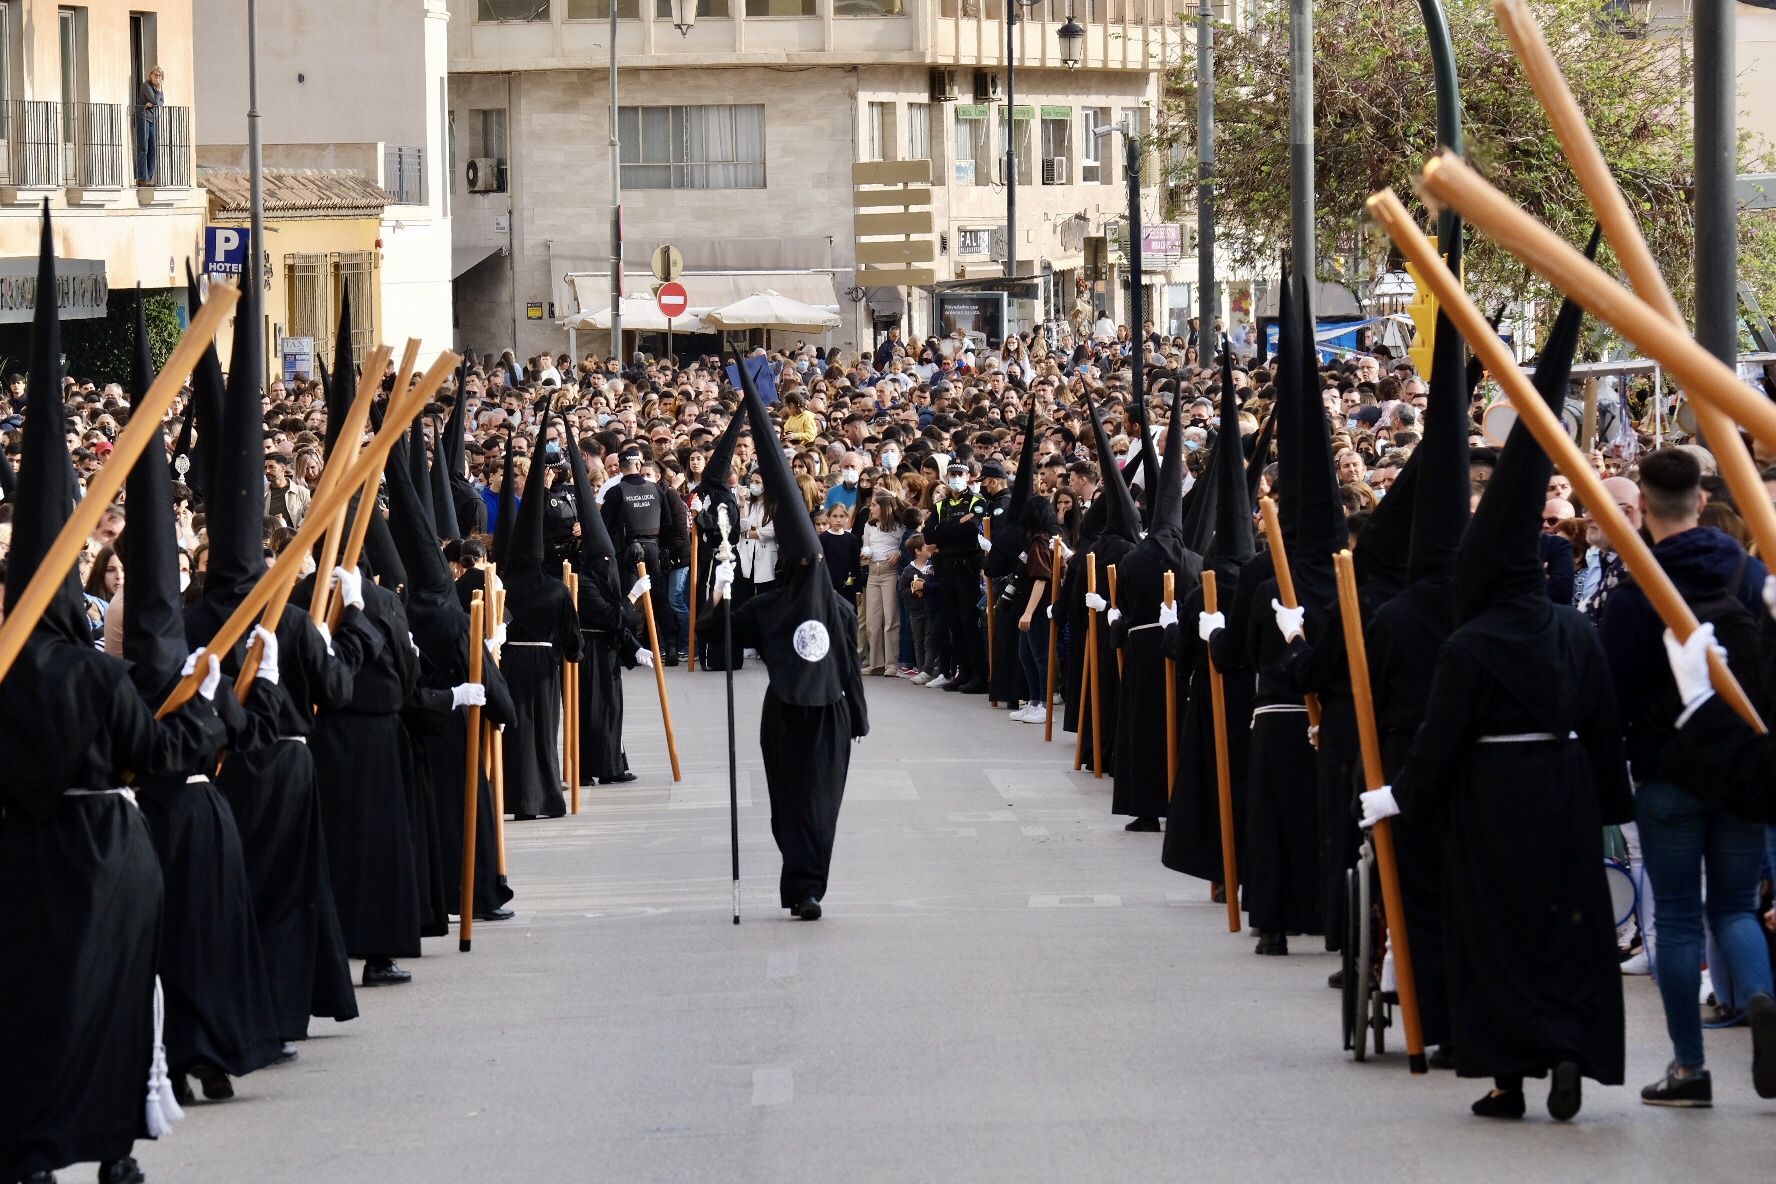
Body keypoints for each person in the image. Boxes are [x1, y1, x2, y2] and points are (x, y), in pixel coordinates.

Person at [0, 220, 229, 1184]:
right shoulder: (95, 673)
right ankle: (108, 1151)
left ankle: (29, 1150)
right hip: (101, 852)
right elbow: (159, 753)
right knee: (108, 1001)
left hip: (16, 854)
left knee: (28, 1002)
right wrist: (206, 705)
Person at [1372, 288, 1629, 1122]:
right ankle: (1568, 1050)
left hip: (1489, 798)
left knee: (1498, 933)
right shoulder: (1572, 633)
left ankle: (1506, 1077)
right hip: (1562, 790)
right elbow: (1601, 724)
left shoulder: (1470, 643)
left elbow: (1441, 738)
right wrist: (1608, 806)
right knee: (1565, 924)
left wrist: (1402, 797)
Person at [1597, 446, 1772, 1106]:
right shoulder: (1751, 574)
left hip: (1668, 770)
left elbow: (1611, 689)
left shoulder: (1635, 586)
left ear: (1642, 504)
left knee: (1673, 916)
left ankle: (1689, 1068)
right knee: (1735, 905)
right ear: (1703, 500)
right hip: (1746, 768)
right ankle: (1757, 993)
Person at [701, 365, 868, 920]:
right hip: (785, 714)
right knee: (786, 806)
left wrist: (860, 718)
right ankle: (796, 879)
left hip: (830, 717)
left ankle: (808, 888)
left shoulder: (839, 608)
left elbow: (848, 666)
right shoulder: (768, 606)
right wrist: (722, 592)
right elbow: (714, 637)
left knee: (821, 807)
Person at [602, 441, 686, 665]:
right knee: (659, 597)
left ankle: (629, 648)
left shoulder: (615, 491)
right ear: (638, 464)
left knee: (629, 597)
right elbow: (667, 521)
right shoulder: (657, 489)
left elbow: (606, 526)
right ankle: (669, 646)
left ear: (620, 467)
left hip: (627, 549)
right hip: (653, 547)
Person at [135, 65, 164, 187]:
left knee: (153, 149)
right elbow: (156, 101)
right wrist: (158, 92)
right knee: (144, 147)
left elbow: (161, 103)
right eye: (155, 75)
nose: (157, 77)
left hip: (153, 119)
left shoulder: (158, 88)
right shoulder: (146, 86)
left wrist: (155, 100)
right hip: (143, 117)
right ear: (150, 75)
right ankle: (142, 178)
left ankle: (149, 178)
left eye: (160, 76)